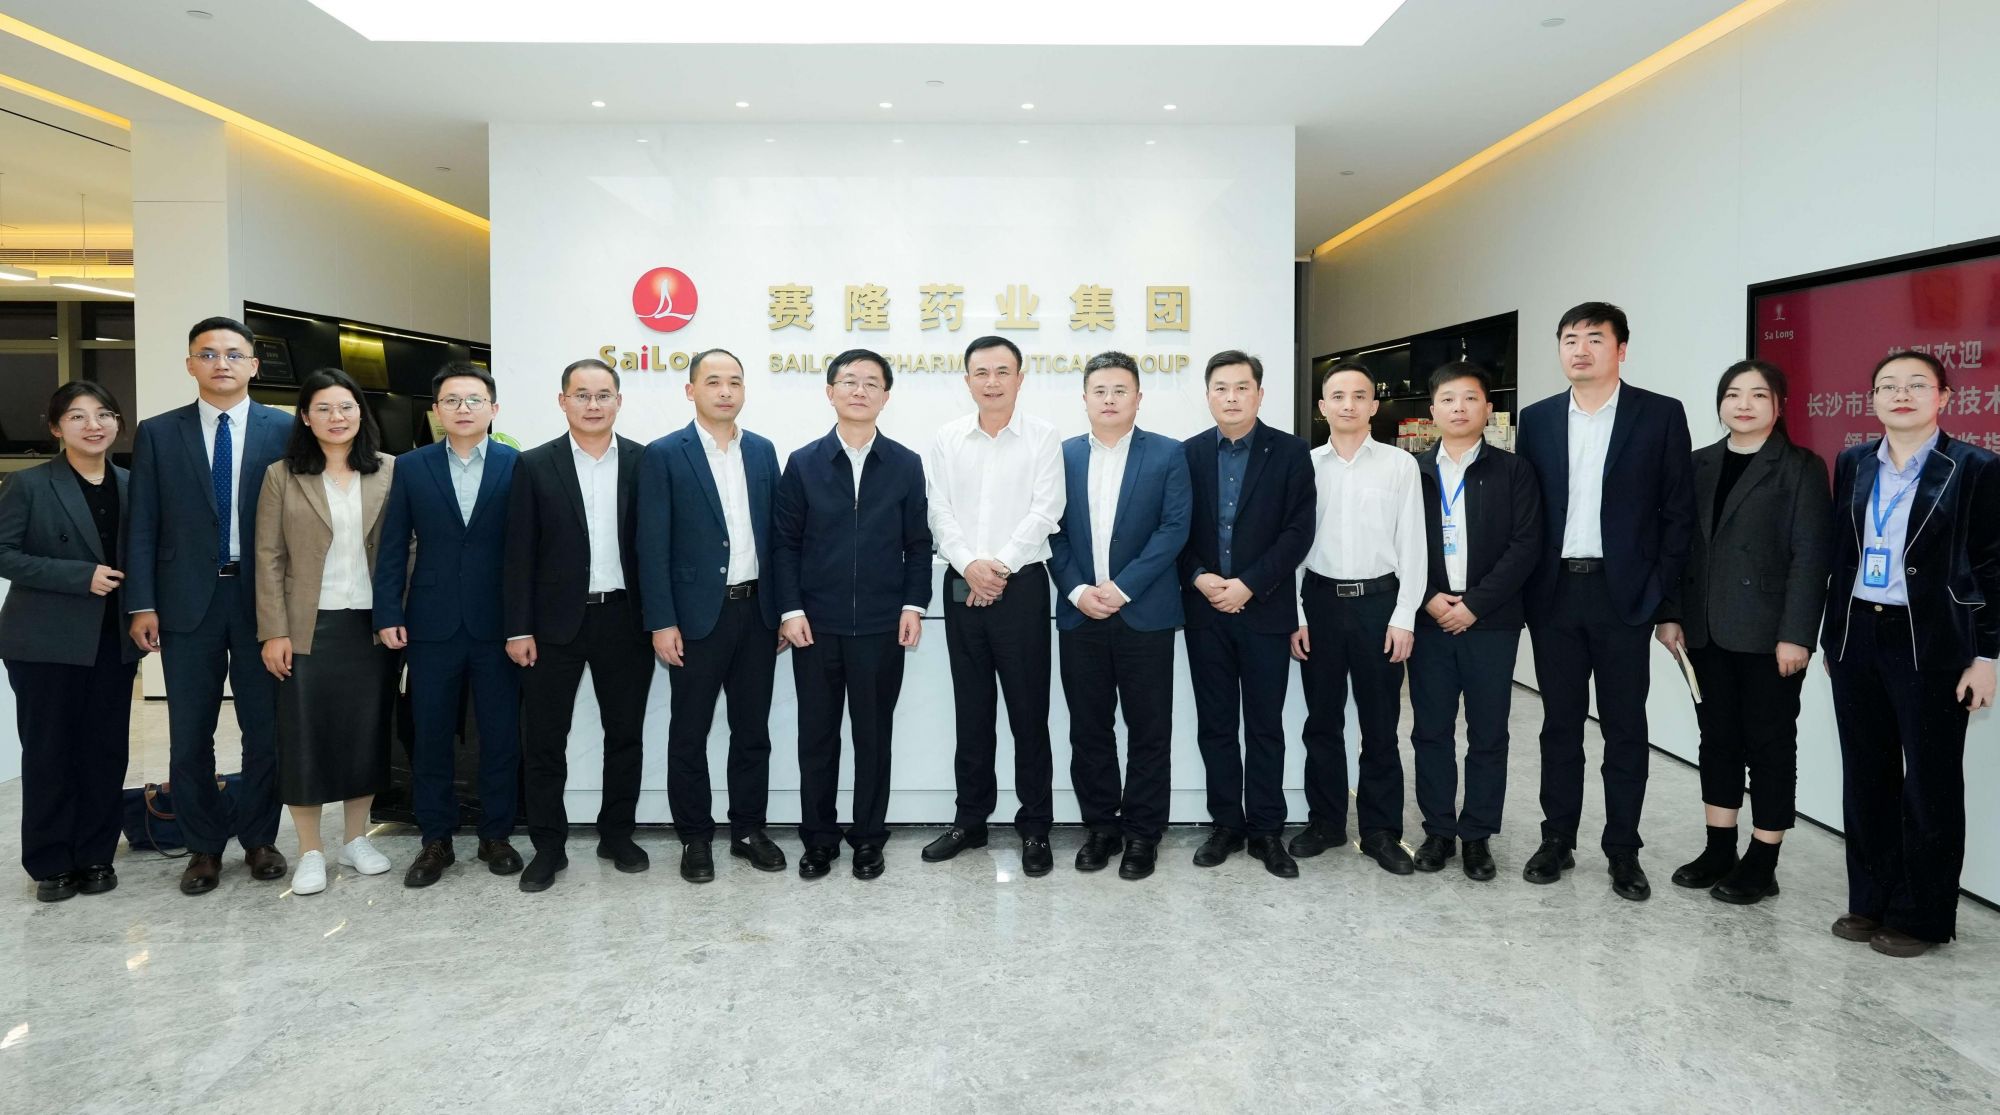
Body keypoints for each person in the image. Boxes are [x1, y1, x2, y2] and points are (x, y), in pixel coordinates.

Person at [1515, 302, 1694, 901]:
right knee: (1559, 726)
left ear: (1621, 349)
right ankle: (1556, 839)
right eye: (1569, 339)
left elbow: (1678, 514)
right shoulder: (1537, 419)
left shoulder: (1659, 414)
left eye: (1594, 338)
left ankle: (1623, 850)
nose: (1580, 349)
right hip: (1555, 593)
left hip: (1625, 597)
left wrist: (1664, 601)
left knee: (1625, 728)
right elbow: (1527, 512)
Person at [1823, 350, 1997, 957]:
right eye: (1888, 386)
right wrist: (1833, 636)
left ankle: (1923, 916)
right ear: (1872, 399)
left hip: (1933, 642)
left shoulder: (1975, 467)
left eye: (1917, 385)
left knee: (1930, 783)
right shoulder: (1852, 462)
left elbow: (1992, 568)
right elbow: (1842, 553)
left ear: (1943, 397)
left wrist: (1987, 657)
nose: (1901, 395)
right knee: (1865, 776)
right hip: (1857, 635)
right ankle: (1870, 900)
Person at [127, 316, 292, 896]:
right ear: (190, 364)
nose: (221, 363)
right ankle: (202, 846)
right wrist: (141, 603)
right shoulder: (157, 432)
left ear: (253, 365)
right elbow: (142, 522)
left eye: (233, 354)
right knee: (190, 732)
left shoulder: (284, 429)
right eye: (208, 353)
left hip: (261, 599)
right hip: (185, 601)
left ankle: (260, 838)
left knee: (265, 730)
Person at [1669, 360, 1830, 905]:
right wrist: (1671, 614)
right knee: (1716, 739)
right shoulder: (1698, 463)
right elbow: (1678, 546)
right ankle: (1719, 848)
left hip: (1769, 636)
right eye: (1733, 394)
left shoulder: (1801, 468)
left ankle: (1763, 859)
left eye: (1759, 395)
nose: (1743, 404)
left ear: (1779, 406)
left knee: (1769, 743)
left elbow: (1811, 556)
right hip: (1704, 630)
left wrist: (1797, 634)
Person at [772, 348, 932, 881]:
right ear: (830, 392)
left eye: (871, 383)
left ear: (886, 397)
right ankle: (818, 839)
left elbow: (918, 543)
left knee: (873, 738)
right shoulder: (804, 463)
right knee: (816, 739)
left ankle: (868, 838)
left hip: (883, 627)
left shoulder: (905, 463)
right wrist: (790, 609)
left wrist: (913, 605)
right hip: (815, 627)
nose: (859, 390)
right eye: (848, 381)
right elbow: (785, 544)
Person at [637, 348, 787, 883]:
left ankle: (748, 830)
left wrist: (782, 609)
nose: (725, 391)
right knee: (690, 732)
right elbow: (651, 544)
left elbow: (778, 539)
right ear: (691, 390)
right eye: (713, 381)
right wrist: (662, 621)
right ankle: (695, 837)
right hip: (695, 619)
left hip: (757, 613)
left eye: (735, 382)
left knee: (752, 731)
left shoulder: (763, 451)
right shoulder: (664, 454)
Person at [373, 362, 525, 888]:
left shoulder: (517, 464)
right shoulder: (412, 467)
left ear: (493, 408)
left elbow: (527, 551)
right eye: (452, 400)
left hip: (499, 624)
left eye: (474, 399)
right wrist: (388, 612)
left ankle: (496, 834)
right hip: (430, 624)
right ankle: (435, 838)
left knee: (501, 736)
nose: (464, 409)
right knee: (431, 736)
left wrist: (524, 622)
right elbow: (393, 544)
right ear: (436, 410)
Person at [920, 335, 1065, 877]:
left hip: (1021, 587)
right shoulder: (947, 438)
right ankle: (970, 820)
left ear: (1020, 378)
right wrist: (970, 566)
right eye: (981, 372)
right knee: (972, 710)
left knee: (1029, 712)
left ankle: (1035, 826)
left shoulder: (1043, 437)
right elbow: (938, 511)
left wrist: (998, 567)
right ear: (967, 380)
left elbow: (1047, 510)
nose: (992, 382)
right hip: (962, 586)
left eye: (1003, 371)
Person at [504, 358, 651, 893]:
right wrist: (517, 628)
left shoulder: (644, 461)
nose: (593, 405)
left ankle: (617, 835)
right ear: (562, 401)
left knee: (625, 736)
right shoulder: (533, 464)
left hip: (626, 619)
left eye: (603, 394)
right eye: (582, 395)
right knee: (545, 741)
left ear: (618, 401)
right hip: (551, 626)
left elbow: (657, 547)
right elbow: (517, 552)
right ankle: (549, 846)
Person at [253, 369, 399, 896]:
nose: (337, 417)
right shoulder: (282, 474)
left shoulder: (389, 469)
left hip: (370, 625)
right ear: (305, 417)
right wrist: (274, 631)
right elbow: (269, 555)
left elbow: (406, 546)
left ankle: (355, 839)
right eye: (324, 408)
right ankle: (310, 850)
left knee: (365, 733)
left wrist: (397, 611)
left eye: (347, 407)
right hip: (306, 626)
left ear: (361, 413)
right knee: (304, 737)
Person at [1050, 351, 1192, 881]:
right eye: (1100, 391)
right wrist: (1077, 590)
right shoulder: (1062, 455)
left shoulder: (1168, 454)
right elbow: (1051, 529)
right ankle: (1101, 828)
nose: (1109, 399)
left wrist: (1123, 588)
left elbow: (1174, 529)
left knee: (1149, 730)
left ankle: (1142, 834)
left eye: (1120, 390)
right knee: (1089, 729)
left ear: (1138, 398)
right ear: (1085, 398)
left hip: (1145, 614)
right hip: (1080, 614)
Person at [0, 383, 144, 901]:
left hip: (112, 639)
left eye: (104, 414)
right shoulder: (29, 484)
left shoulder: (132, 485)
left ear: (118, 423)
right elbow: (3, 552)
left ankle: (96, 855)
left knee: (105, 751)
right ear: (56, 427)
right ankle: (51, 863)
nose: (93, 425)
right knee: (49, 752)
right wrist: (79, 576)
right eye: (78, 416)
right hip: (45, 640)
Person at [1177, 350, 1313, 878]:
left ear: (1259, 393)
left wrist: (1250, 585)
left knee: (1264, 727)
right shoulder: (1187, 454)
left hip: (1264, 611)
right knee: (1215, 725)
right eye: (1221, 388)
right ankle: (1226, 825)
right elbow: (1174, 529)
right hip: (1205, 611)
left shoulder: (1291, 452)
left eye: (1241, 387)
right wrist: (1200, 577)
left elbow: (1298, 531)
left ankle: (1266, 830)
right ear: (1207, 395)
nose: (1231, 397)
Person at [1408, 362, 1543, 881]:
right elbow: (1396, 543)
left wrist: (1475, 605)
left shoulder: (1514, 470)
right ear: (1433, 410)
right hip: (1429, 621)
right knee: (1431, 731)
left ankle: (1478, 835)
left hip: (1491, 622)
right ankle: (1438, 831)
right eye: (1448, 399)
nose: (1459, 408)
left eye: (1470, 398)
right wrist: (1428, 599)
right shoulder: (1412, 471)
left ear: (1489, 408)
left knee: (1488, 733)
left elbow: (1526, 545)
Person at [1291, 362, 1426, 875]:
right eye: (1338, 395)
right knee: (1321, 722)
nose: (1348, 404)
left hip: (1379, 604)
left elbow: (1413, 545)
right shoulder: (1304, 466)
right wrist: (1296, 613)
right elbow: (1294, 545)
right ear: (1322, 406)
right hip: (1319, 603)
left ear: (1374, 405)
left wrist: (1404, 616)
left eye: (1359, 395)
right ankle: (1326, 822)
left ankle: (1380, 831)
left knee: (1380, 724)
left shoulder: (1399, 465)